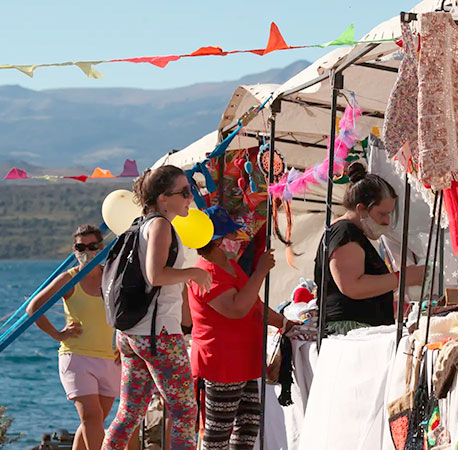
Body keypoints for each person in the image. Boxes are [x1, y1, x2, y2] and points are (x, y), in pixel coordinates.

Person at [104, 165, 211, 450]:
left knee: (129, 413)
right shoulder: (161, 226)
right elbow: (156, 275)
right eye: (185, 192)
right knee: (184, 412)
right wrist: (193, 274)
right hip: (158, 334)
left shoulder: (140, 224)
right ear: (163, 198)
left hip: (131, 333)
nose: (191, 198)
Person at [187, 205, 299, 450]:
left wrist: (285, 324)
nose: (238, 240)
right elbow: (236, 309)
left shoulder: (230, 266)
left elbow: (254, 306)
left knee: (247, 430)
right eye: (231, 236)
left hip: (243, 363)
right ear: (217, 241)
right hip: (222, 365)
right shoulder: (205, 273)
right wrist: (259, 272)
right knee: (218, 436)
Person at [27, 224, 138, 450]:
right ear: (74, 250)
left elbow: (130, 314)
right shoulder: (69, 280)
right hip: (76, 357)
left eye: (92, 246)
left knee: (93, 421)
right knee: (91, 417)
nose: (86, 251)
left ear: (102, 248)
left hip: (110, 359)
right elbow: (33, 308)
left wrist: (125, 345)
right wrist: (58, 334)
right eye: (81, 246)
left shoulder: (112, 277)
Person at [314, 162, 427, 335]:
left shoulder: (347, 233)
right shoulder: (345, 233)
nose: (387, 221)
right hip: (352, 334)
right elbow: (352, 286)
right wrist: (403, 278)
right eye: (382, 214)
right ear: (361, 209)